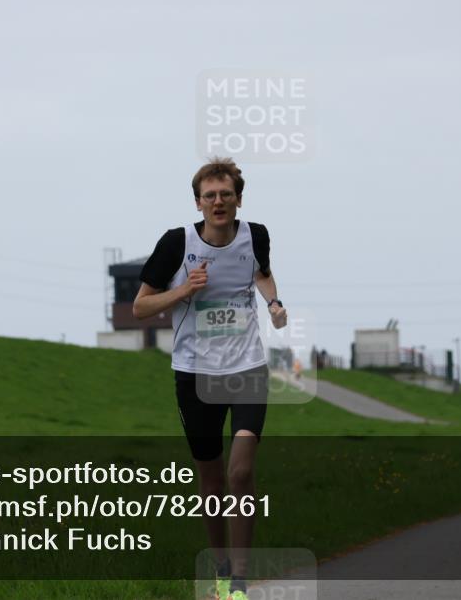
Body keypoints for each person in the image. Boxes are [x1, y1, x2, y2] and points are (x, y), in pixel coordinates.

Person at [133, 157, 286, 600]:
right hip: (195, 374)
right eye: (210, 195)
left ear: (238, 198)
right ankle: (220, 568)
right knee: (213, 481)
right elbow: (142, 307)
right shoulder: (176, 244)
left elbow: (261, 272)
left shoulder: (255, 234)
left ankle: (239, 579)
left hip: (246, 368)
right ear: (198, 202)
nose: (218, 202)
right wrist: (184, 291)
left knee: (240, 472)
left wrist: (274, 303)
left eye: (226, 194)